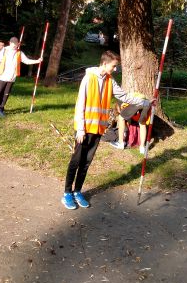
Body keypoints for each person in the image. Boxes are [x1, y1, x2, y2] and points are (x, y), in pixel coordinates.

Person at [62, 50, 154, 210]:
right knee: (76, 161)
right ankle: (67, 193)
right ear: (105, 64)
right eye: (114, 66)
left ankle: (77, 191)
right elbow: (80, 104)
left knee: (86, 163)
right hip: (84, 129)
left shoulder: (110, 81)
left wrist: (144, 102)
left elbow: (125, 97)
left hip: (98, 129)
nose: (115, 69)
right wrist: (81, 129)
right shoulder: (88, 78)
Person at [0, 36, 42, 116]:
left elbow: (26, 61)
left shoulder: (19, 53)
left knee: (6, 94)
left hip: (12, 78)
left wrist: (37, 61)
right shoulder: (4, 50)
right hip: (2, 76)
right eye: (14, 44)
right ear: (10, 43)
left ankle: (1, 109)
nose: (15, 45)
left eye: (16, 44)